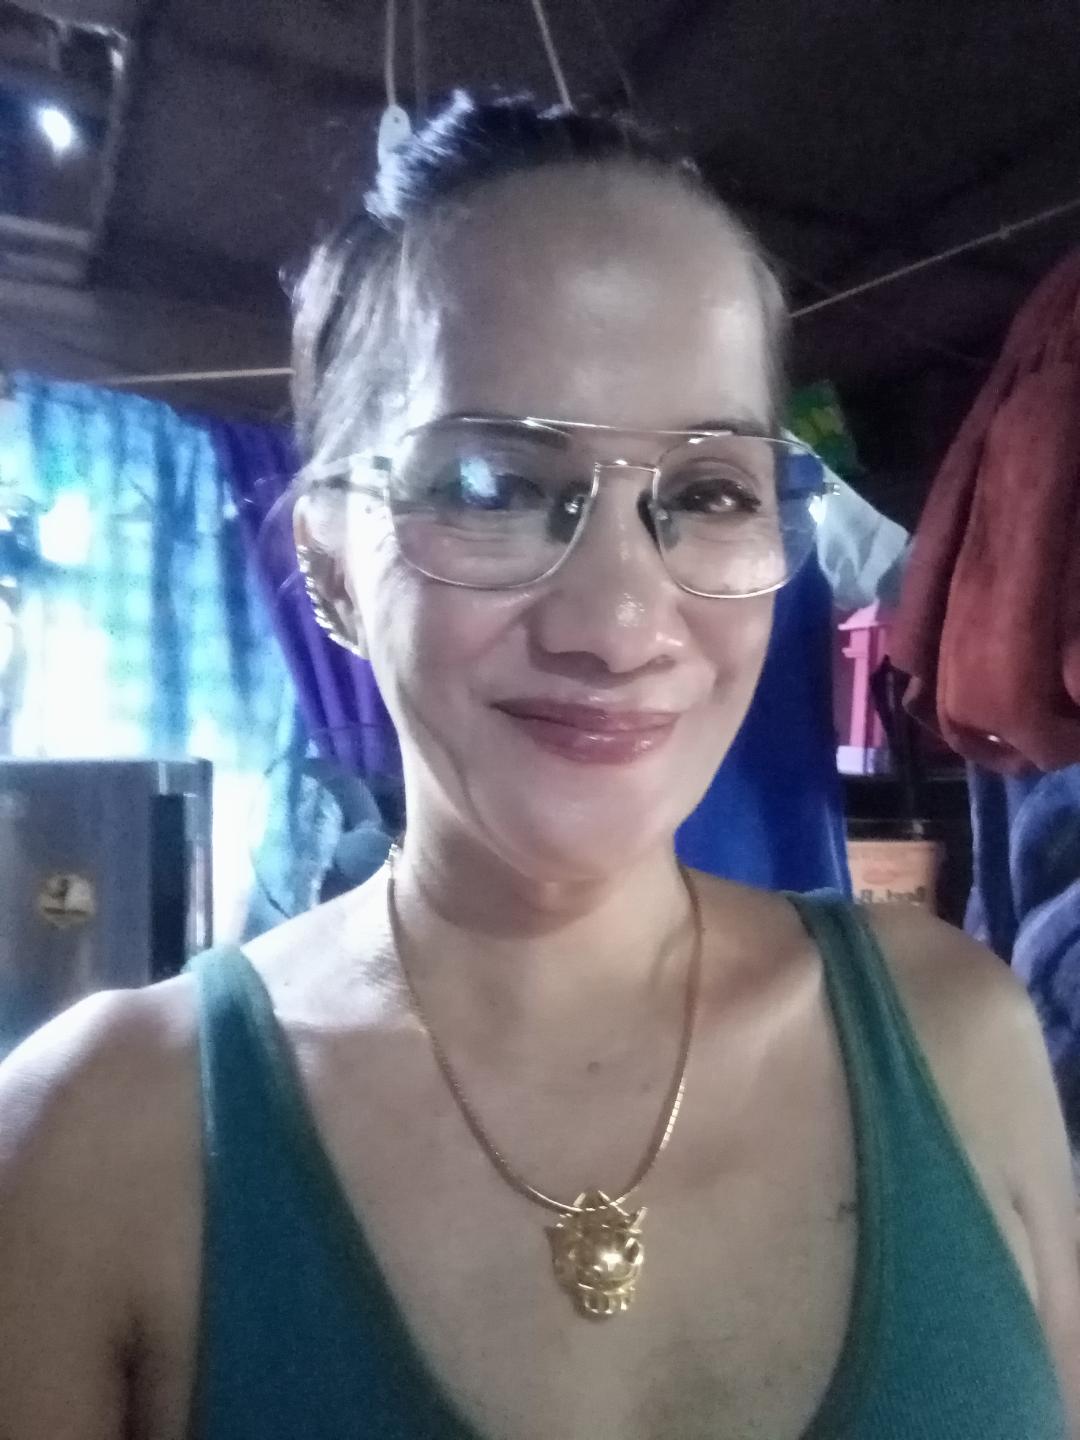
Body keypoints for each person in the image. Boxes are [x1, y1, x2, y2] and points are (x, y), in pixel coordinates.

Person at [1, 94, 1079, 1440]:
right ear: (330, 555)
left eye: (709, 492)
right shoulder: (98, 1143)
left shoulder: (958, 1037)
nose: (620, 625)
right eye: (491, 486)